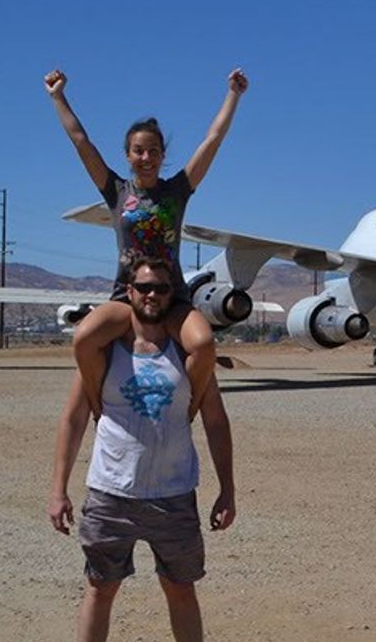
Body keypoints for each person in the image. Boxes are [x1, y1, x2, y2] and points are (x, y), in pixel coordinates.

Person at [48, 259, 241, 642]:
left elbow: (214, 421)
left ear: (171, 294)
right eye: (142, 287)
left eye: (159, 288)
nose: (151, 295)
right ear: (127, 292)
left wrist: (227, 487)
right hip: (111, 491)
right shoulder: (102, 352)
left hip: (174, 493)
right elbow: (73, 420)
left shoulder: (189, 355)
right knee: (99, 588)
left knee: (181, 589)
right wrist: (58, 490)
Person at [44, 67, 248, 415]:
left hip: (174, 298)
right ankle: (99, 409)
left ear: (162, 154)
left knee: (204, 344)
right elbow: (81, 140)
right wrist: (58, 97)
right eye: (138, 151)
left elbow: (212, 140)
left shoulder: (178, 191)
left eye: (153, 151)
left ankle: (188, 412)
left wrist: (233, 95)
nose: (146, 158)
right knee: (83, 339)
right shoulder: (116, 191)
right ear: (127, 155)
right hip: (126, 294)